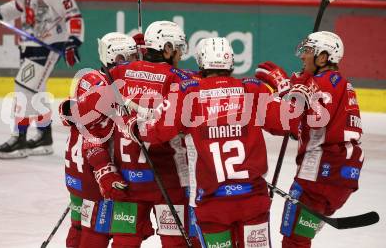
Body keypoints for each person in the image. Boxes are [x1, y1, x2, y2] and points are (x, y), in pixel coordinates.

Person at [126, 37, 296, 247]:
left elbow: (155, 132)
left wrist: (135, 126)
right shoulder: (252, 89)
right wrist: (285, 88)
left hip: (211, 204)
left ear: (201, 63)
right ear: (231, 63)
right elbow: (291, 122)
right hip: (252, 199)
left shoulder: (188, 92)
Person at [261, 31, 364, 248]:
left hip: (318, 175)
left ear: (323, 57)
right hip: (342, 176)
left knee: (294, 241)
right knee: (301, 237)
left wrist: (283, 89)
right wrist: (297, 86)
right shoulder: (340, 84)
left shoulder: (323, 82)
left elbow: (290, 120)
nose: (302, 56)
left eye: (308, 51)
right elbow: (304, 123)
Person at [104, 21, 202, 248]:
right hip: (168, 181)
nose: (180, 54)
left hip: (127, 181)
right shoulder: (180, 78)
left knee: (123, 244)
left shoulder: (118, 72)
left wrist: (136, 60)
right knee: (177, 244)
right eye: (178, 48)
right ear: (167, 49)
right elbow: (203, 84)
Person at [0, 0, 84, 159]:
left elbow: (73, 14)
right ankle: (44, 136)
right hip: (29, 42)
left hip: (49, 44)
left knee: (23, 85)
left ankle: (19, 138)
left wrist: (73, 42)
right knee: (36, 89)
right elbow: (18, 6)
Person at [59, 32, 139, 248]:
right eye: (130, 57)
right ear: (115, 58)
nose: (135, 62)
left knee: (79, 226)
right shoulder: (105, 89)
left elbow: (68, 113)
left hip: (76, 172)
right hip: (90, 175)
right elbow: (91, 133)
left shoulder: (90, 79)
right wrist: (104, 169)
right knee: (95, 231)